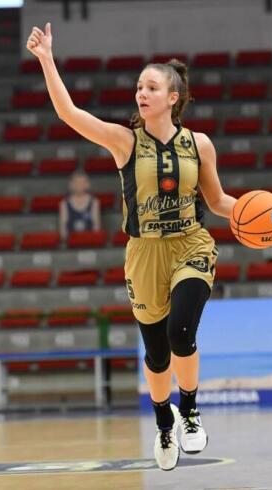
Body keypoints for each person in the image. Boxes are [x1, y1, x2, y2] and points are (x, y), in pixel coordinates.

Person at [26, 23, 236, 470]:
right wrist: (46, 59)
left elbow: (216, 201)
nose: (142, 92)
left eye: (152, 87)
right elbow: (68, 113)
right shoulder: (124, 142)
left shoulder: (199, 145)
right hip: (144, 254)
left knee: (183, 332)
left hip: (191, 244)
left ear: (172, 98)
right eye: (139, 86)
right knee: (157, 354)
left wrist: (256, 212)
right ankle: (164, 421)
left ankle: (191, 412)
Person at [59, 171, 101, 240]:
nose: (79, 185)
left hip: (89, 241)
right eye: (76, 182)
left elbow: (96, 226)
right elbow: (63, 228)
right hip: (71, 243)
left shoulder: (94, 202)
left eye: (82, 182)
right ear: (71, 185)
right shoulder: (64, 204)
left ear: (87, 184)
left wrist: (93, 240)